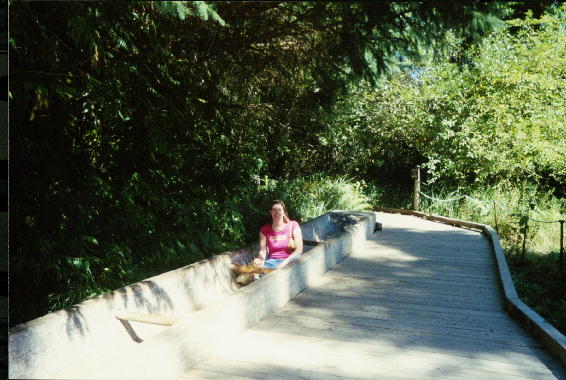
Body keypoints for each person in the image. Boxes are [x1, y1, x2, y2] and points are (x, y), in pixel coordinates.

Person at [253, 200, 303, 270]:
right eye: (274, 210)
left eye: (280, 209)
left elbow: (299, 250)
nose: (277, 212)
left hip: (290, 260)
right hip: (272, 262)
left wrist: (284, 263)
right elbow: (263, 251)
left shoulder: (294, 225)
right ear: (270, 212)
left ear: (283, 212)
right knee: (256, 272)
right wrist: (259, 259)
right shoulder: (264, 230)